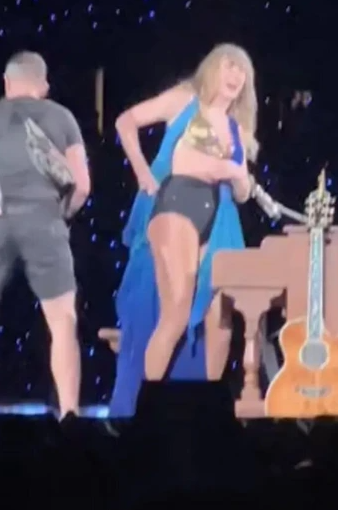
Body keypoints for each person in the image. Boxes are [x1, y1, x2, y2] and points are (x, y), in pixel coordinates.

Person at [110, 43, 258, 416]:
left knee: (220, 322)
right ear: (212, 68)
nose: (235, 76)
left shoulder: (237, 128)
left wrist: (240, 177)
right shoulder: (184, 99)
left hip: (221, 220)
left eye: (242, 71)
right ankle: (147, 410)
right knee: (170, 312)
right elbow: (126, 121)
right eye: (229, 66)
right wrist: (142, 171)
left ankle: (205, 413)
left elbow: (242, 190)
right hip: (176, 204)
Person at [0, 51, 91, 418]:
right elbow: (81, 185)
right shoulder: (62, 117)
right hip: (44, 221)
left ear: (7, 82)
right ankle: (70, 416)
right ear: (43, 85)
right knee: (62, 323)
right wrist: (59, 216)